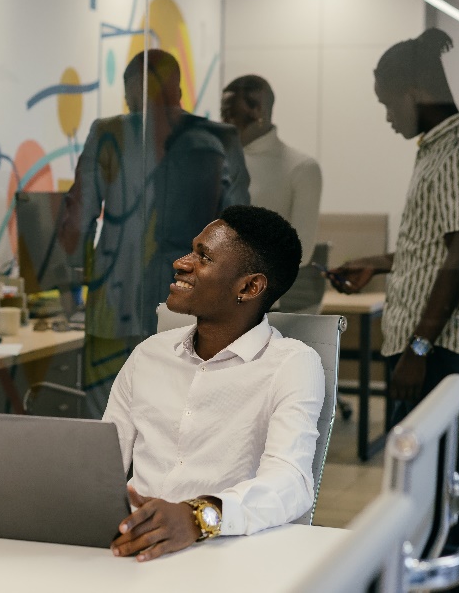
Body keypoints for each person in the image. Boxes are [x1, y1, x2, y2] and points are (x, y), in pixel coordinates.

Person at [328, 28, 459, 593]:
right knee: (434, 475)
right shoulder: (441, 149)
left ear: (415, 91)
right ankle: (438, 572)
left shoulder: (458, 152)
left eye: (386, 103)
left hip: (441, 342)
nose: (387, 116)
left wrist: (420, 347)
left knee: (441, 477)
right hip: (432, 338)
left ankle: (445, 578)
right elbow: (437, 245)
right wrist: (378, 261)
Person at [103, 204, 324, 561]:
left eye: (203, 257)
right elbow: (102, 462)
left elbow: (291, 483)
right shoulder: (149, 355)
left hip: (226, 553)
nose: (181, 262)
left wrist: (196, 517)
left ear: (250, 286)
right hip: (135, 547)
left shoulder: (291, 363)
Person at [61, 49, 250, 418]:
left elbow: (78, 218)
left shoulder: (108, 132)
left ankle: (111, 476)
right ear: (178, 89)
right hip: (191, 300)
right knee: (179, 411)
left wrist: (70, 290)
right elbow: (238, 231)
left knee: (107, 414)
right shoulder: (220, 137)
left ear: (130, 91)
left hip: (115, 303)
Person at [221, 75, 322, 268]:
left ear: (258, 111)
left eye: (230, 114)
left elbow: (301, 253)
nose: (224, 122)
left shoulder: (302, 168)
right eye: (222, 113)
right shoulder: (219, 161)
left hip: (256, 293)